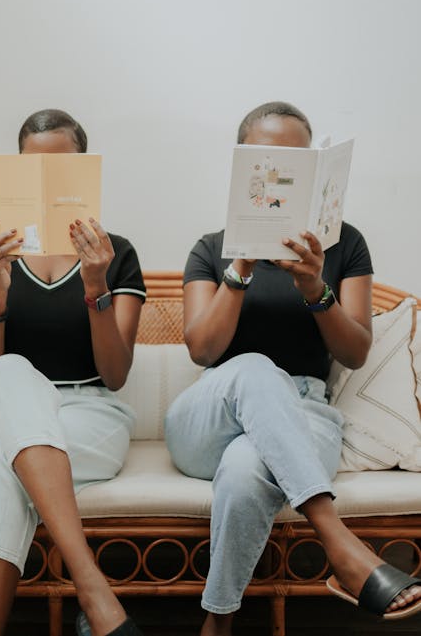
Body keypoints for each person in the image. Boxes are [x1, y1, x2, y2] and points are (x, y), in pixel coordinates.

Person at [165, 101, 421, 636]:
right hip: (211, 410)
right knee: (254, 367)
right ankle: (339, 542)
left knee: (245, 468)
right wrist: (241, 267)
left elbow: (353, 353)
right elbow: (203, 350)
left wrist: (316, 290)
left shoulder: (342, 244)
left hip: (303, 413)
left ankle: (218, 621)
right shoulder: (211, 249)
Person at [0, 109, 145, 636]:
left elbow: (114, 373)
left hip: (89, 412)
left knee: (2, 462)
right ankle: (90, 582)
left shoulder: (116, 254)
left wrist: (96, 285)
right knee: (13, 371)